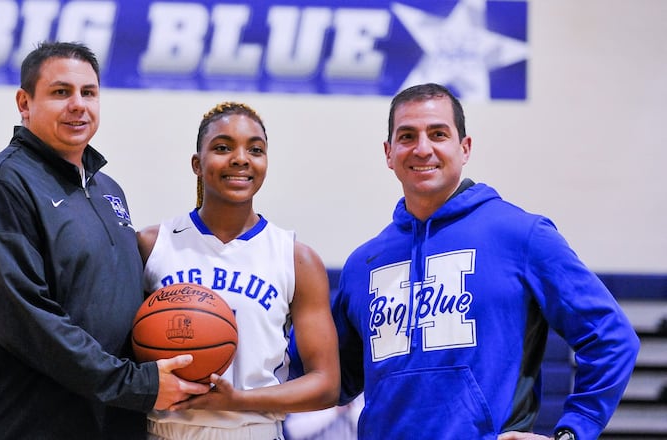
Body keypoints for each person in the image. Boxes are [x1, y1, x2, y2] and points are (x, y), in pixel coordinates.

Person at [330, 83, 640, 440]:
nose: (423, 148)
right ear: (388, 153)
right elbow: (333, 379)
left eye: (438, 134)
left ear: (464, 148)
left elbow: (612, 338)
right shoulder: (363, 265)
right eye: (407, 136)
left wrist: (572, 433)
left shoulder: (522, 236)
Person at [0, 41, 209, 439]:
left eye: (89, 92)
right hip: (11, 425)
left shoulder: (108, 190)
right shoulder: (1, 186)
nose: (78, 104)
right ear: (24, 103)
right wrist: (136, 384)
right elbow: (28, 321)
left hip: (102, 422)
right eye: (61, 92)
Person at [136, 101, 340, 439]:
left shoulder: (295, 258)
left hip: (252, 430)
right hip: (164, 431)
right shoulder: (151, 246)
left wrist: (236, 401)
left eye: (255, 149)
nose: (241, 158)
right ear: (197, 164)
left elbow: (326, 384)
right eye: (222, 147)